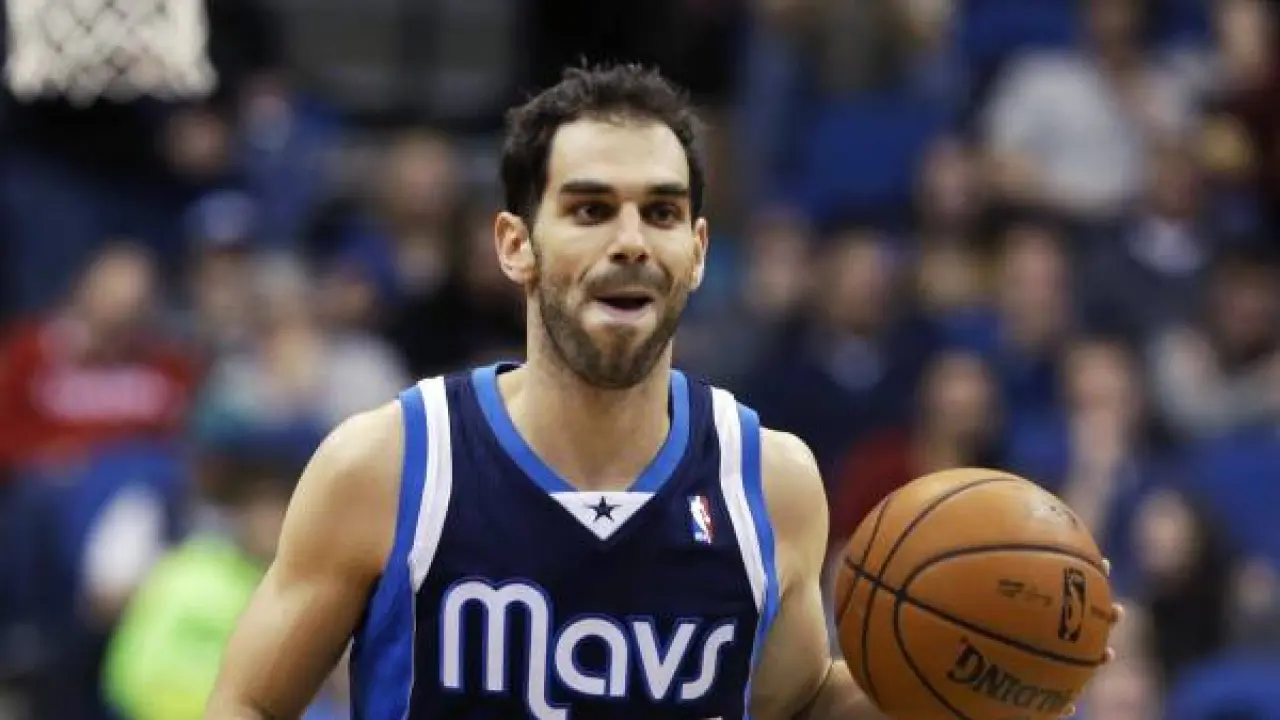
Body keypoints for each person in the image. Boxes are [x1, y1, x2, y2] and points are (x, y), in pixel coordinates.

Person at [204, 64, 1118, 719]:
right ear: (516, 245)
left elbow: (795, 703)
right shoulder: (390, 464)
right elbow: (246, 702)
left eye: (663, 211)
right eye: (591, 209)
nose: (633, 239)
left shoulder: (770, 482)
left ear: (699, 250)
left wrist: (995, 664)